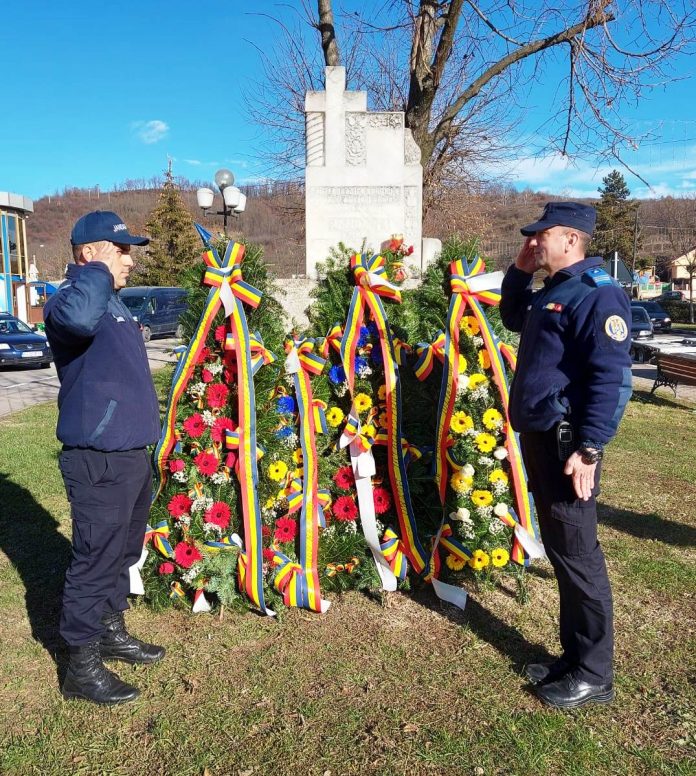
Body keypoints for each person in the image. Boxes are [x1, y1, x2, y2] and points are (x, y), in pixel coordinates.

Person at [500, 202, 632, 709]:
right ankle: (572, 657)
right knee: (561, 551)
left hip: (569, 446)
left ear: (571, 240)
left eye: (542, 235)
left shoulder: (599, 295)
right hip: (540, 438)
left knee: (579, 557)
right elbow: (513, 315)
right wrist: (519, 269)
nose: (536, 241)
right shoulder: (554, 291)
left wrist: (590, 447)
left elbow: (611, 380)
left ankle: (594, 674)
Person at [43, 210, 164, 705]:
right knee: (95, 560)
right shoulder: (68, 302)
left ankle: (111, 630)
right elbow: (76, 319)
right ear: (90, 253)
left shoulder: (112, 304)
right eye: (121, 250)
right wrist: (93, 269)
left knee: (121, 552)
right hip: (98, 459)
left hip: (131, 454)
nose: (131, 260)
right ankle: (81, 665)